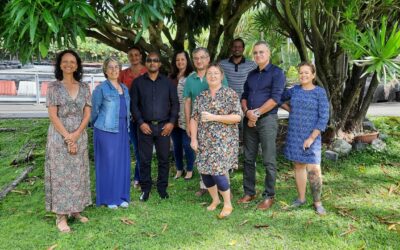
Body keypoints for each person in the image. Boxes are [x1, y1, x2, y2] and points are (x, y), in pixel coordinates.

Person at [45, 49, 91, 233]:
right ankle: (61, 216)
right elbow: (52, 115)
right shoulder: (53, 87)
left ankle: (75, 210)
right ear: (60, 65)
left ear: (77, 65)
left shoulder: (85, 87)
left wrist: (76, 135)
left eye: (73, 61)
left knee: (78, 174)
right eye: (65, 61)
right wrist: (67, 137)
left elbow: (87, 113)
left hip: (79, 135)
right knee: (60, 176)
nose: (69, 64)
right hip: (59, 136)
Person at [190, 63, 241, 218]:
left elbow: (237, 117)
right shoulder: (201, 96)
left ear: (221, 76)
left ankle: (228, 204)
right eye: (210, 73)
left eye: (216, 73)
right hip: (204, 141)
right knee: (205, 172)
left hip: (223, 141)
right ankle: (215, 200)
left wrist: (215, 117)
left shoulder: (230, 94)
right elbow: (194, 118)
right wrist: (193, 139)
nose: (212, 76)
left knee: (218, 172)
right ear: (206, 77)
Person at [238, 41, 285, 210]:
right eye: (256, 53)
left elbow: (275, 99)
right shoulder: (251, 75)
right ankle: (249, 192)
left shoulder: (277, 73)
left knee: (268, 159)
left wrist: (256, 114)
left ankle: (269, 195)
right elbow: (244, 95)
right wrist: (247, 112)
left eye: (261, 52)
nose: (258, 55)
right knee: (248, 158)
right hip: (249, 120)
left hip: (267, 121)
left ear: (269, 53)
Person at [280, 62, 329, 215]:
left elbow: (324, 117)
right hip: (295, 133)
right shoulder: (294, 90)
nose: (303, 75)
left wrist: (311, 138)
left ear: (313, 75)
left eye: (307, 72)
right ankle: (301, 198)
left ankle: (317, 202)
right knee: (299, 166)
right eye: (301, 72)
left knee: (314, 169)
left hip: (312, 135)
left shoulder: (319, 92)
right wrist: (290, 110)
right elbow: (279, 98)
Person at [131, 52, 179, 201]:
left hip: (164, 127)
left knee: (163, 159)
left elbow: (175, 104)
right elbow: (133, 105)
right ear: (146, 63)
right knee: (144, 160)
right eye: (150, 60)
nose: (153, 63)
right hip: (145, 127)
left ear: (160, 64)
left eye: (155, 60)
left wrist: (171, 122)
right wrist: (140, 123)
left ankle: (162, 188)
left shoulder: (168, 83)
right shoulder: (138, 83)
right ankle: (145, 189)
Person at [183, 47, 228, 196]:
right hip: (199, 124)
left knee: (220, 156)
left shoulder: (216, 75)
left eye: (202, 57)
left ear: (208, 59)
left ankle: (224, 187)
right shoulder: (190, 79)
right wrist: (189, 123)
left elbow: (225, 96)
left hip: (217, 123)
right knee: (201, 155)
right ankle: (205, 186)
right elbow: (188, 102)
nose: (199, 60)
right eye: (196, 58)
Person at [91, 57, 131, 209]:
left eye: (116, 67)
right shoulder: (101, 89)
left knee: (121, 163)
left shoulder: (125, 88)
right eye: (111, 67)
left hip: (122, 129)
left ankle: (121, 197)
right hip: (105, 130)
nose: (114, 70)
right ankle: (108, 198)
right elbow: (94, 111)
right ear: (105, 70)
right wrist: (97, 125)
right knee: (108, 164)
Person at [119, 46, 148, 189]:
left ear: (141, 56)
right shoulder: (123, 74)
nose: (134, 57)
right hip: (129, 117)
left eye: (137, 55)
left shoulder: (147, 71)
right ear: (128, 57)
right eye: (131, 55)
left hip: (145, 117)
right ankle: (139, 177)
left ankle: (139, 177)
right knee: (136, 148)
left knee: (142, 148)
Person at [169, 51, 195, 180]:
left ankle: (190, 169)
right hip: (173, 116)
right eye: (177, 60)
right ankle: (179, 169)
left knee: (187, 143)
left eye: (182, 59)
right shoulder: (171, 77)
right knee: (176, 144)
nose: (180, 62)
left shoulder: (192, 76)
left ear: (187, 60)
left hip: (187, 114)